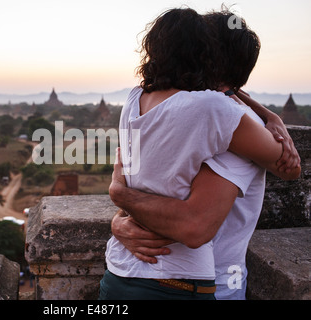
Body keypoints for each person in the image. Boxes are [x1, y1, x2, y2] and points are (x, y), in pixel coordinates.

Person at [105, 10, 301, 300]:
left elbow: (191, 224)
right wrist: (118, 219)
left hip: (198, 282)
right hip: (179, 280)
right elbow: (156, 188)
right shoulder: (212, 117)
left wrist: (120, 196)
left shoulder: (223, 124)